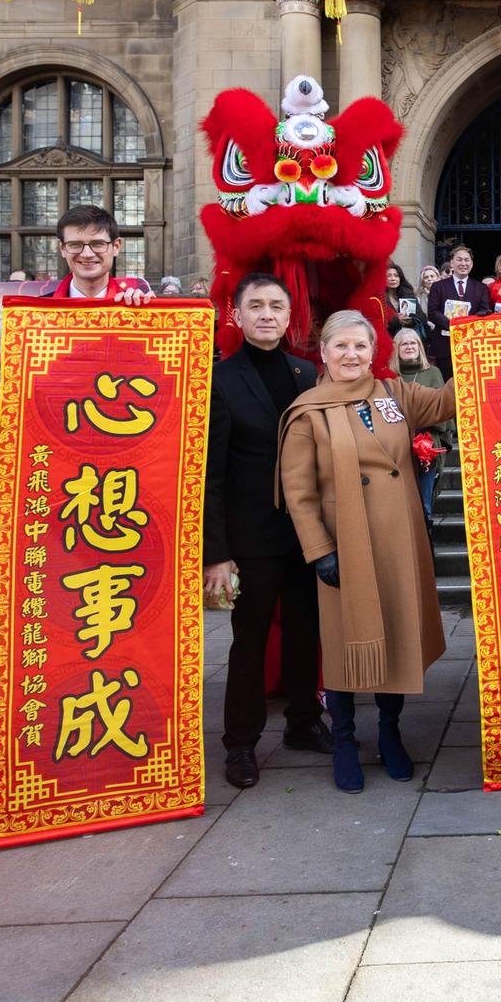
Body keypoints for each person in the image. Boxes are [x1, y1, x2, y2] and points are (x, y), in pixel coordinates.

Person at [280, 310, 459, 792]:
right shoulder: (307, 410)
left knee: (397, 635)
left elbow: (448, 401)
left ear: (372, 351)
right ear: (324, 353)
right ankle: (342, 738)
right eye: (341, 346)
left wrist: (479, 348)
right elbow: (298, 492)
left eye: (360, 346)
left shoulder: (394, 393)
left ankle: (389, 731)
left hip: (398, 538)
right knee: (345, 645)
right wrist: (321, 551)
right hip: (346, 543)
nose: (351, 355)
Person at [204, 273, 328, 791]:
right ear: (238, 314)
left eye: (277, 306)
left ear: (289, 315)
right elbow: (210, 473)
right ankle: (240, 744)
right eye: (255, 306)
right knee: (248, 642)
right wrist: (218, 553)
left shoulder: (307, 374)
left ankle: (303, 722)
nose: (267, 315)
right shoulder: (219, 378)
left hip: (306, 533)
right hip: (250, 536)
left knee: (307, 633)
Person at [392, 326, 452, 520]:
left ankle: (427, 546)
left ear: (420, 347)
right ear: (396, 349)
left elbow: (442, 410)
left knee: (424, 505)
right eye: (404, 344)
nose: (409, 347)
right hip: (396, 448)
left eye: (413, 343)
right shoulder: (389, 375)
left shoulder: (433, 372)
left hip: (426, 446)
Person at [52, 205, 151, 304]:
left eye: (98, 244)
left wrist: (150, 309)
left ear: (116, 246)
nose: (87, 254)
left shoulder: (134, 307)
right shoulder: (38, 311)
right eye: (75, 245)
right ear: (62, 249)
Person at [422, 245, 494, 377]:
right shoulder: (438, 286)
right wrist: (451, 324)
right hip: (444, 346)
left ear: (471, 264)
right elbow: (432, 312)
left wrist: (467, 322)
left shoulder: (481, 288)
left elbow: (484, 311)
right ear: (452, 263)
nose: (463, 263)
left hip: (470, 345)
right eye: (459, 260)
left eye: (467, 260)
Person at [383, 264, 421, 334]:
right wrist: (396, 321)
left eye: (396, 276)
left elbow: (421, 317)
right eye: (389, 276)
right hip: (388, 336)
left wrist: (410, 320)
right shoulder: (379, 298)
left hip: (408, 336)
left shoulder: (408, 295)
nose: (393, 279)